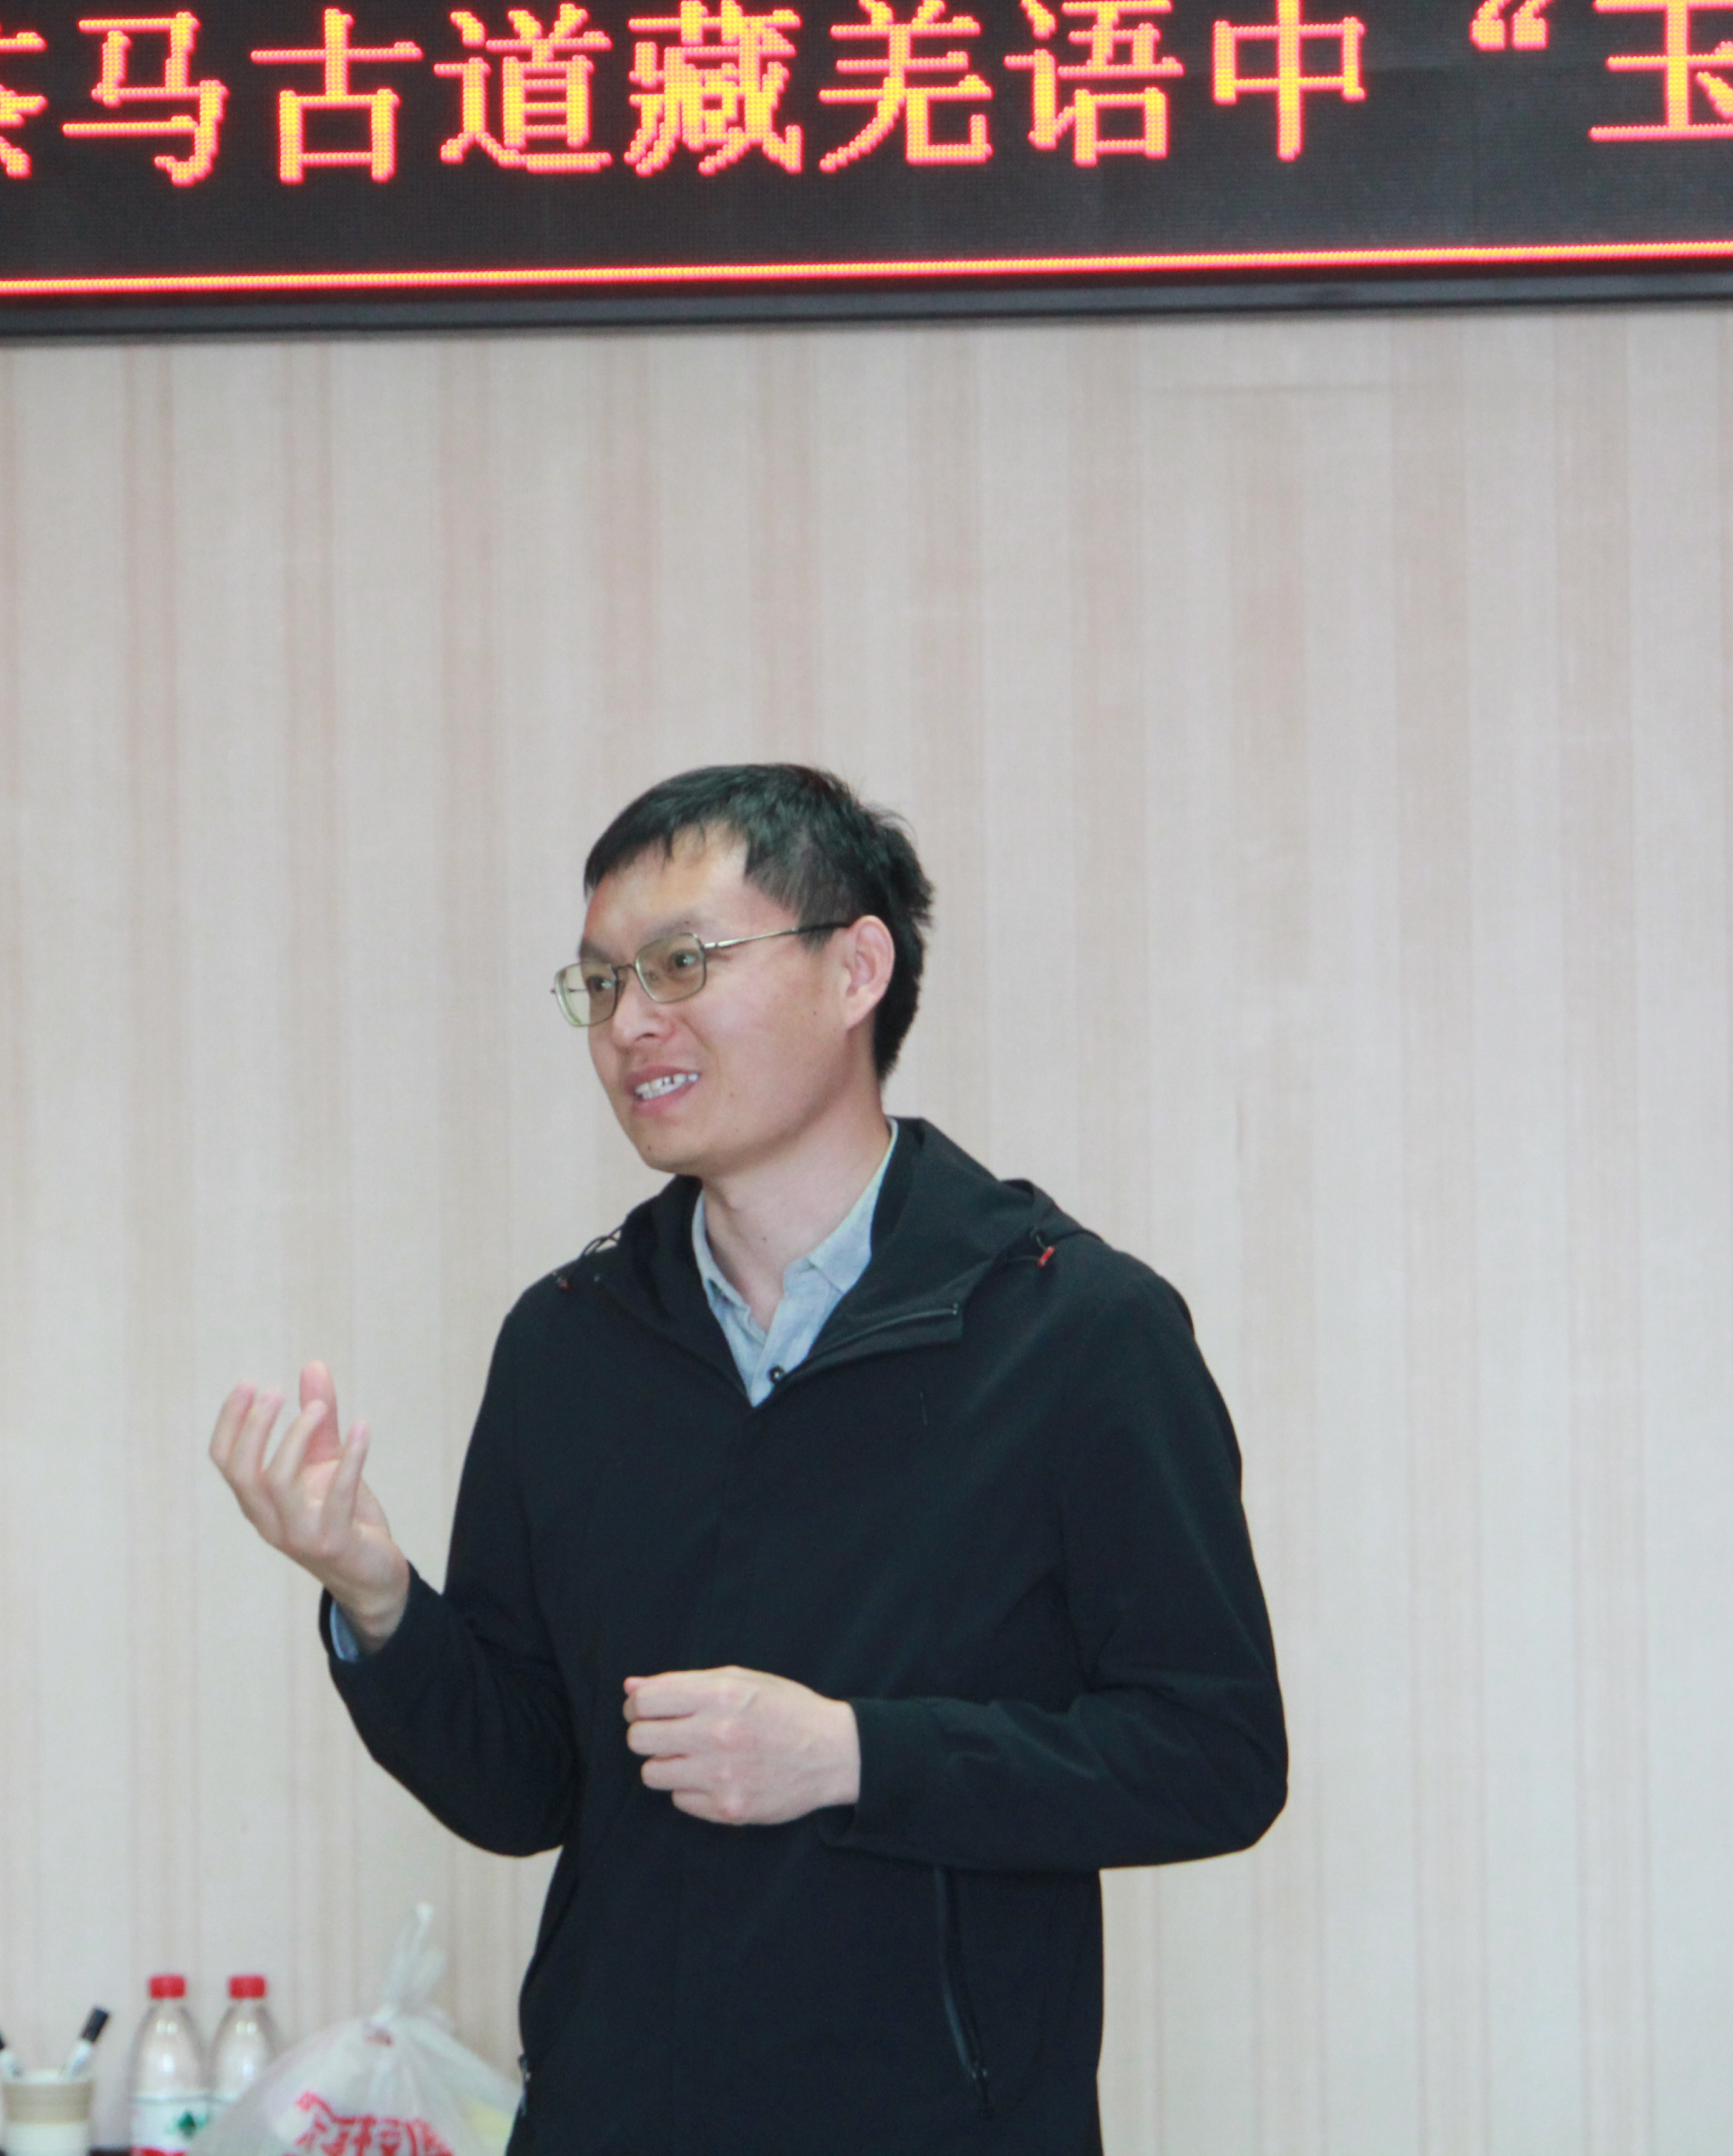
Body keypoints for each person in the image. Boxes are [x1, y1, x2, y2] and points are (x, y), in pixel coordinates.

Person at [209, 764, 1284, 2155]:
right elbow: (525, 1790)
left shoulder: (1074, 1329)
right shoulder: (567, 1342)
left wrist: (854, 1755)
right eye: (601, 983)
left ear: (855, 969)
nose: (629, 1024)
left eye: (682, 964)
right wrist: (378, 1599)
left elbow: (1214, 1756)